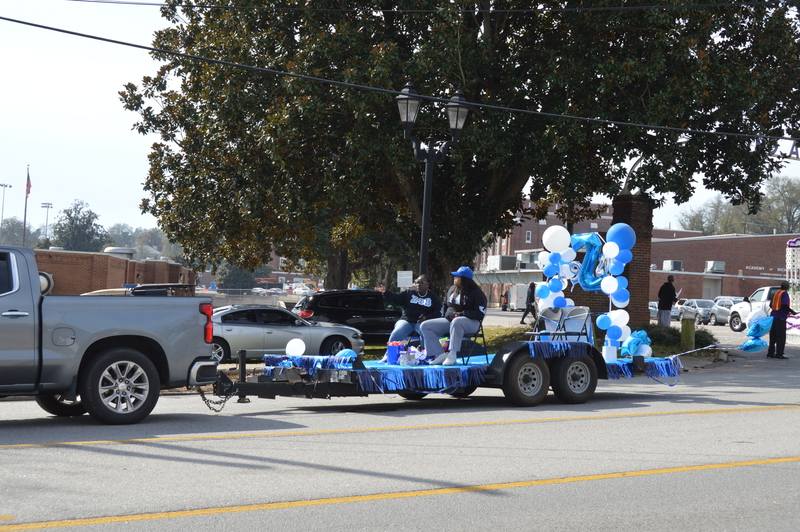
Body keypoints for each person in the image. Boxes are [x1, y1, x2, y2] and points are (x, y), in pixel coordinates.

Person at [419, 266, 487, 366]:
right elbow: (445, 304)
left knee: (457, 321)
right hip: (451, 322)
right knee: (425, 325)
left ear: (465, 279)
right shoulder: (452, 289)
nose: (454, 278)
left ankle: (452, 354)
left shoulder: (476, 293)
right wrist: (444, 316)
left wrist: (462, 314)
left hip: (472, 323)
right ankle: (440, 354)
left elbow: (480, 313)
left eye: (458, 276)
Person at [377, 275, 442, 355]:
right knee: (397, 332)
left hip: (422, 322)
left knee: (425, 332)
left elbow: (438, 312)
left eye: (421, 283)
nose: (418, 285)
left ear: (428, 284)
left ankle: (426, 355)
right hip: (407, 321)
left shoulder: (433, 297)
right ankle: (389, 355)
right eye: (417, 282)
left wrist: (427, 317)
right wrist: (386, 292)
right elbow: (396, 298)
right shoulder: (408, 293)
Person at [767, 280, 797, 360]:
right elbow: (784, 305)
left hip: (773, 316)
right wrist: (792, 311)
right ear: (787, 287)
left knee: (773, 336)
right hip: (780, 317)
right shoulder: (784, 293)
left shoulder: (776, 293)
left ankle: (770, 353)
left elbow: (770, 305)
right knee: (781, 337)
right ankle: (779, 354)